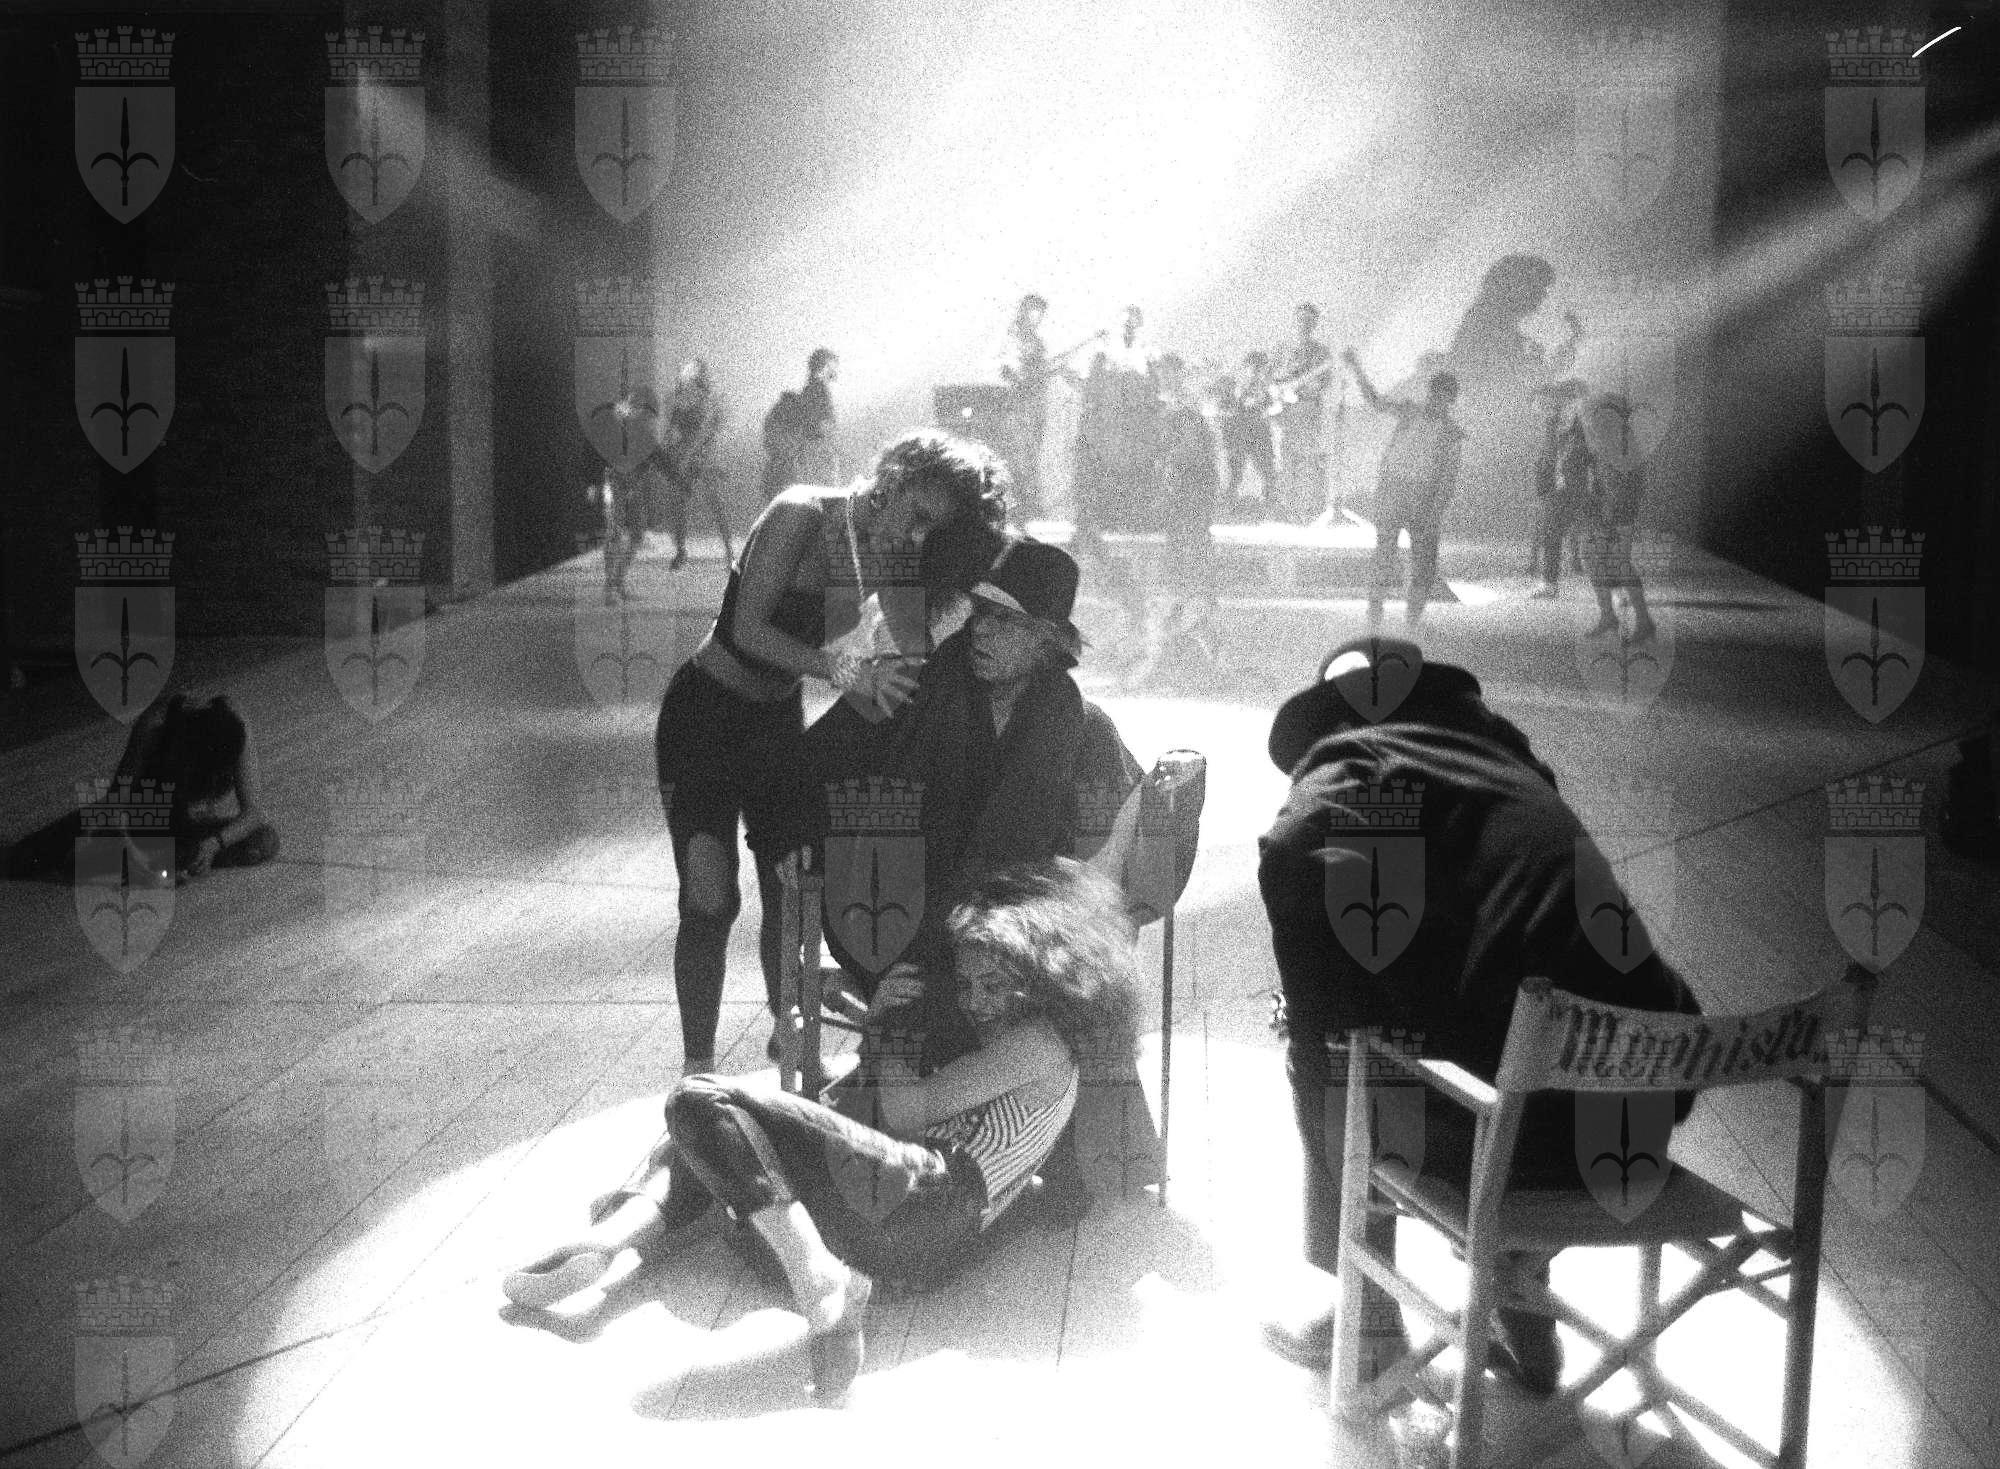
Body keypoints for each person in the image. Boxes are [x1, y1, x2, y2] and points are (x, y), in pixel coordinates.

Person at [501, 857, 1141, 1405]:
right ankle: (609, 1243)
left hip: (917, 1198)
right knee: (741, 1126)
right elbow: (908, 1102)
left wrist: (883, 1030)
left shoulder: (1038, 1045)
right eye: (968, 983)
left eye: (989, 984)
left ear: (1042, 974)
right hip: (916, 1240)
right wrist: (868, 1025)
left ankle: (809, 1277)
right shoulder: (1033, 1039)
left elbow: (909, 1112)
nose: (972, 999)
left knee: (701, 1100)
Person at [1255, 636, 1702, 1393]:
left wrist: (1318, 1017)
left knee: (1335, 1054)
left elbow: (1295, 852)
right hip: (1639, 1128)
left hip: (1513, 1154)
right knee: (1530, 1029)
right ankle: (1521, 1306)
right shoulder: (1507, 765)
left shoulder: (1349, 769)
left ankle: (1368, 1321)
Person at [653, 430, 1008, 1072]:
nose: (917, 538)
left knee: (788, 890)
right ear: (893, 477)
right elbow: (747, 631)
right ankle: (697, 1069)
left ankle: (788, 1038)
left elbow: (905, 654)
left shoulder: (893, 556)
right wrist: (845, 670)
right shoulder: (801, 513)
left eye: (932, 531)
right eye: (917, 516)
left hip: (773, 724)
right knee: (710, 900)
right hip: (703, 716)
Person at [8, 689, 279, 884]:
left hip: (182, 825)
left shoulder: (234, 727)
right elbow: (115, 807)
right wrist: (141, 861)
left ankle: (163, 859)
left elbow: (254, 812)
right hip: (143, 815)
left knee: (263, 839)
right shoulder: (157, 726)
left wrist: (211, 846)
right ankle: (118, 860)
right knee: (22, 859)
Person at [1344, 349, 1467, 625]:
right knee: (1385, 553)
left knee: (1422, 562)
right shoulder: (1411, 412)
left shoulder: (1451, 433)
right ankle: (1375, 612)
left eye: (1442, 397)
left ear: (1450, 400)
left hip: (1421, 497)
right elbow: (1375, 402)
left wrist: (1437, 510)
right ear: (1430, 393)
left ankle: (1410, 619)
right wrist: (1357, 369)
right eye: (1435, 395)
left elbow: (1448, 477)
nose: (1436, 401)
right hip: (1395, 490)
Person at [1573, 391, 1658, 642]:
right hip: (1606, 511)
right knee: (1594, 559)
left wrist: (1610, 514)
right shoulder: (1608, 440)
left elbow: (1622, 485)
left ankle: (1641, 620)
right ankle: (1610, 616)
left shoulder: (1620, 444)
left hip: (1617, 512)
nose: (1593, 419)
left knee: (1617, 562)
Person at [660, 358, 736, 570]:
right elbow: (672, 429)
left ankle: (729, 551)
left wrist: (690, 455)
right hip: (686, 454)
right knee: (680, 504)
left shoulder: (708, 400)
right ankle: (681, 551)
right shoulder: (679, 400)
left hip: (704, 455)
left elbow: (705, 432)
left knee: (715, 503)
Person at [1270, 302, 1335, 524]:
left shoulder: (1321, 352)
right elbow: (1269, 378)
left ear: (1314, 324)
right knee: (1283, 459)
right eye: (1301, 319)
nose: (1304, 324)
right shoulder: (1281, 349)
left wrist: (1301, 390)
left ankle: (1305, 510)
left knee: (1306, 459)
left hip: (1307, 412)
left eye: (1309, 320)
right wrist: (1277, 390)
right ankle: (1285, 508)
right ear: (1294, 320)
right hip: (1282, 413)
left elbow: (1321, 384)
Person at [1527, 379, 1588, 598]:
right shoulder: (1551, 425)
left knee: (1598, 533)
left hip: (1575, 487)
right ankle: (1549, 584)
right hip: (1554, 488)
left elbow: (1588, 457)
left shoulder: (1581, 428)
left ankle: (1617, 588)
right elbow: (1547, 456)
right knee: (1550, 533)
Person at [997, 294, 1053, 518]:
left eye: (1040, 314)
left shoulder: (1038, 342)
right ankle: (1018, 504)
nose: (1036, 318)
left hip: (1035, 406)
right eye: (1032, 311)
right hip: (1016, 405)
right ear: (1023, 311)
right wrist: (1020, 378)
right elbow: (1004, 369)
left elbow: (1042, 374)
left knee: (1031, 455)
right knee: (1016, 454)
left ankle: (1030, 504)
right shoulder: (1010, 339)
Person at [762, 348, 841, 499]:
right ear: (824, 367)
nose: (835, 371)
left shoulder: (812, 392)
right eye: (832, 366)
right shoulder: (818, 392)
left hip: (803, 466)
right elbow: (821, 430)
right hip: (811, 464)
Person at [1219, 350, 1279, 521]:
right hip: (1239, 432)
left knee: (1267, 470)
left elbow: (1275, 406)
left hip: (1259, 431)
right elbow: (1225, 408)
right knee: (1235, 472)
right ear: (1246, 367)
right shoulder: (1235, 386)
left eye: (1259, 368)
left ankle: (1269, 506)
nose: (1255, 371)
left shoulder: (1267, 387)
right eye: (1252, 367)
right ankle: (1229, 506)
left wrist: (1266, 408)